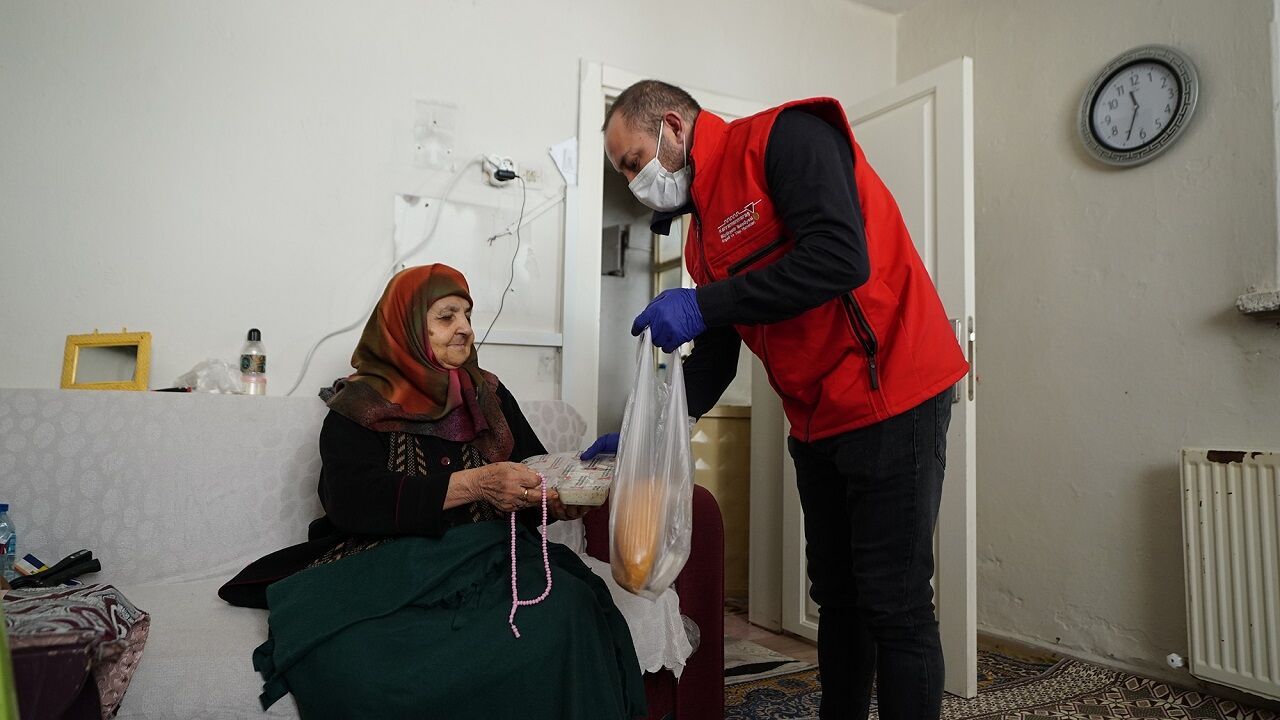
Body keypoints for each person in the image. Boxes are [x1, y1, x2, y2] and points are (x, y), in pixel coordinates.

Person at [587, 80, 969, 720]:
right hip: (817, 417)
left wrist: (704, 304)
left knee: (894, 601)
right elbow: (717, 355)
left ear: (673, 127)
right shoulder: (701, 239)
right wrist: (648, 432)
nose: (633, 183)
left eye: (633, 162)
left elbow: (840, 258)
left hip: (893, 390)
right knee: (838, 597)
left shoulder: (783, 139)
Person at [219, 264, 646, 720]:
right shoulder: (359, 404)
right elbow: (351, 499)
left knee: (570, 608)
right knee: (358, 663)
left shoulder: (489, 396)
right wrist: (474, 484)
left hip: (492, 561)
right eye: (446, 316)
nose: (465, 328)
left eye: (467, 315)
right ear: (404, 325)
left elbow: (531, 471)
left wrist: (556, 500)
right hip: (391, 565)